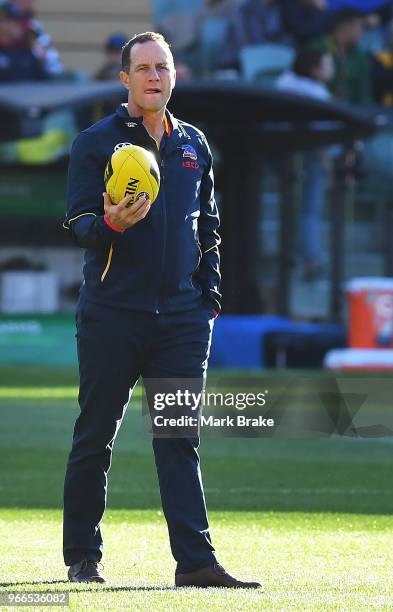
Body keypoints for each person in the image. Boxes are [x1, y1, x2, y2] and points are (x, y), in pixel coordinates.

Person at [62, 31, 261, 589]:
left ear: (175, 76)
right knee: (95, 434)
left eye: (163, 67)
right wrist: (109, 226)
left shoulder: (194, 143)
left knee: (179, 437)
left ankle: (195, 564)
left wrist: (209, 299)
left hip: (182, 319)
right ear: (124, 78)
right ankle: (82, 557)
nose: (154, 76)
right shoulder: (95, 143)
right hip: (111, 314)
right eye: (143, 68)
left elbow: (210, 229)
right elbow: (78, 225)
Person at [276, 49, 334, 279]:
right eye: (327, 63)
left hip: (281, 155)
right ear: (314, 68)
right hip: (308, 157)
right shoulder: (318, 94)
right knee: (310, 210)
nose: (331, 68)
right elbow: (321, 139)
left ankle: (292, 257)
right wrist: (328, 166)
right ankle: (311, 260)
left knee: (291, 209)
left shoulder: (284, 81)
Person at [311, 8, 373, 104]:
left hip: (349, 111)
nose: (362, 33)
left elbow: (364, 94)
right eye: (361, 27)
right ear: (346, 27)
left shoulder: (359, 56)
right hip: (319, 105)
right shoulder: (318, 48)